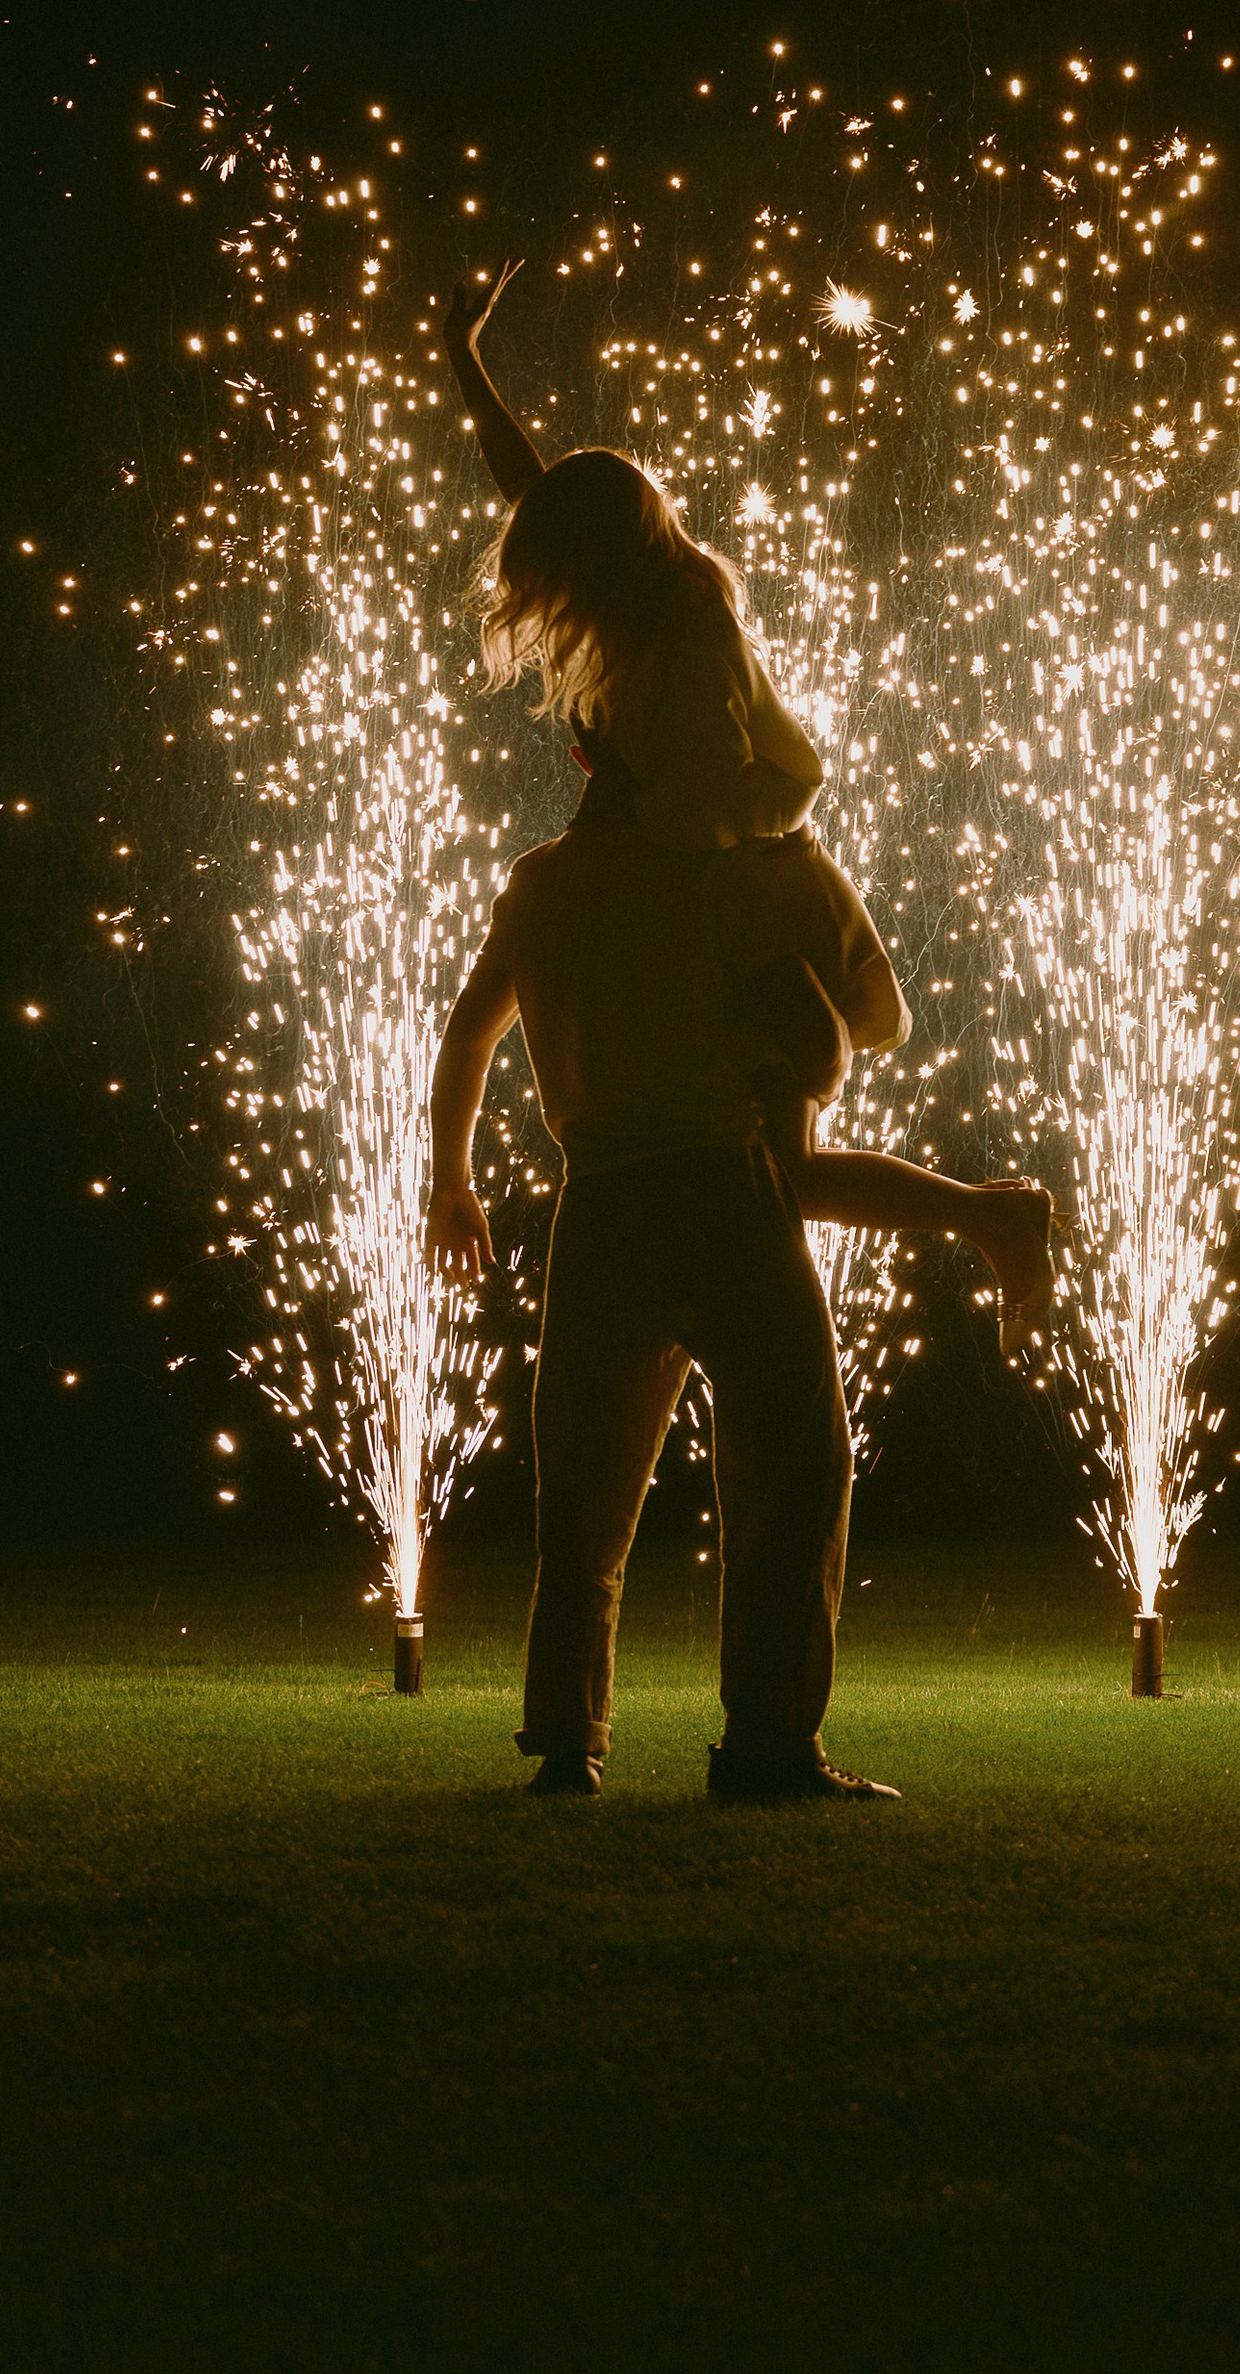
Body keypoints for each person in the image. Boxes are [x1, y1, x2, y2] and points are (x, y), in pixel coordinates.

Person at [443, 258, 1054, 1345]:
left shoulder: (685, 631)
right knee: (775, 1175)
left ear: (601, 551)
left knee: (768, 1174)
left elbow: (708, 797)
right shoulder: (643, 602)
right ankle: (990, 1216)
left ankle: (990, 1219)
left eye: (559, 560)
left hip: (754, 901)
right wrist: (464, 364)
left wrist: (620, 825)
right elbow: (528, 485)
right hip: (732, 891)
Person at [426, 806, 914, 1800]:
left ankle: (568, 1741)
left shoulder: (539, 881)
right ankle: (769, 1741)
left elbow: (471, 1026)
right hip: (720, 1183)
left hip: (601, 1196)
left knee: (582, 1492)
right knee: (795, 1462)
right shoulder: (715, 870)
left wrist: (452, 1178)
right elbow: (831, 1042)